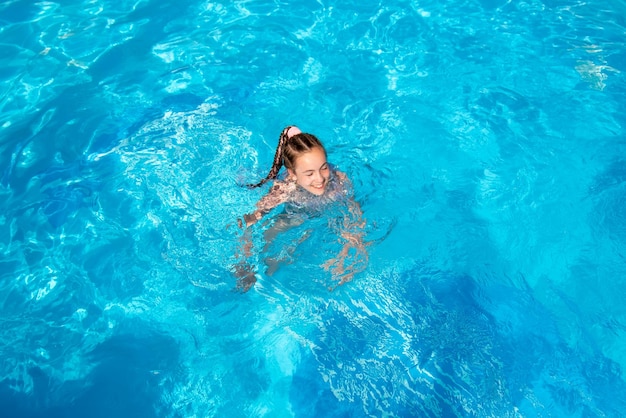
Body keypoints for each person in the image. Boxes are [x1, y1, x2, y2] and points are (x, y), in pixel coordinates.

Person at [233, 125, 368, 291]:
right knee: (275, 249)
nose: (320, 179)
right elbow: (247, 221)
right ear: (292, 174)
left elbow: (354, 217)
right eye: (309, 173)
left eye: (324, 167)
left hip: (321, 215)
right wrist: (243, 261)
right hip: (294, 214)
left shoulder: (339, 181)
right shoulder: (284, 190)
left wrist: (348, 254)